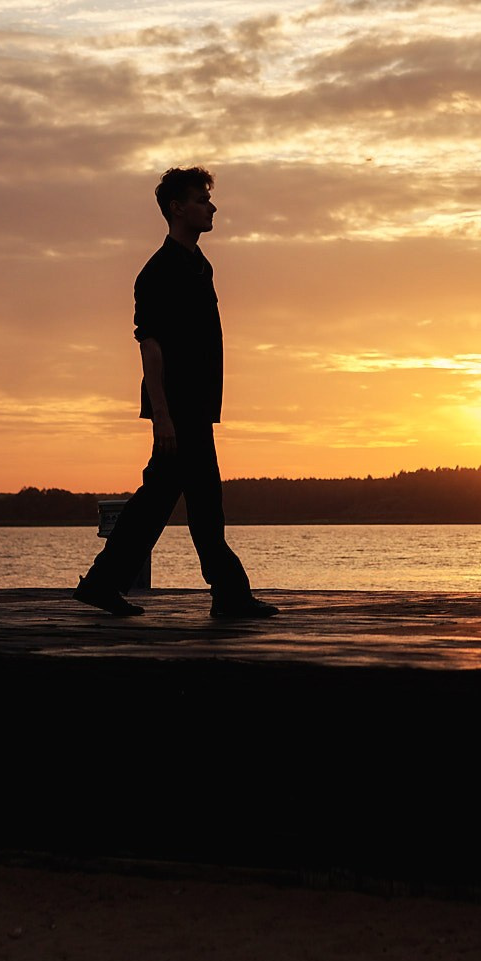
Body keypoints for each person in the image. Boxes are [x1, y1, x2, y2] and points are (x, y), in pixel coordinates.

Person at [75, 166, 278, 621]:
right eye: (202, 200)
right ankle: (228, 593)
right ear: (176, 208)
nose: (212, 207)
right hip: (179, 408)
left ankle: (107, 584)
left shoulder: (199, 266)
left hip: (196, 407)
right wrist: (163, 416)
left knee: (177, 499)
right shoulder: (159, 272)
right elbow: (150, 347)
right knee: (194, 500)